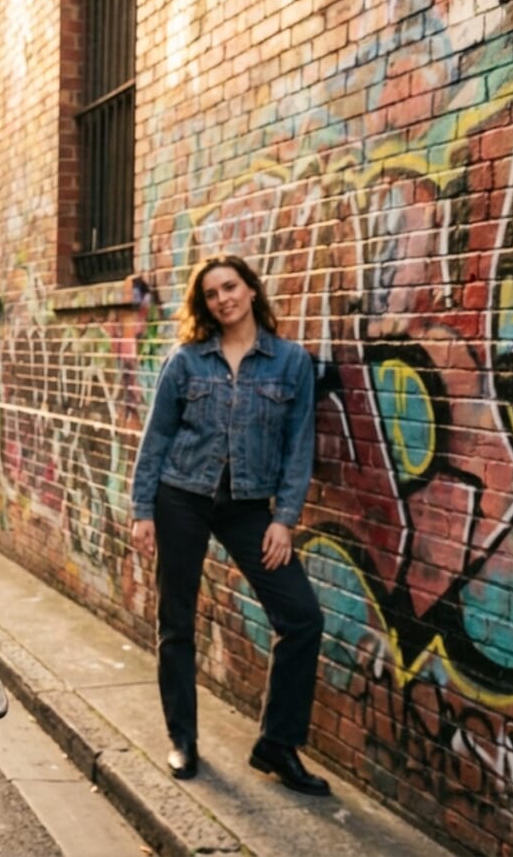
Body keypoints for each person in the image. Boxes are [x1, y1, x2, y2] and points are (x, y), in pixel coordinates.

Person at [129, 254, 328, 796]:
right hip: (182, 498)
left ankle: (277, 745)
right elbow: (157, 440)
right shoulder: (186, 361)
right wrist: (143, 510)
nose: (224, 299)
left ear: (251, 290)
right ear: (205, 304)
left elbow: (298, 447)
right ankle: (183, 739)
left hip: (248, 508)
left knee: (302, 616)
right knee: (177, 621)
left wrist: (284, 521)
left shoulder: (290, 363)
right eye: (212, 293)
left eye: (231, 287)